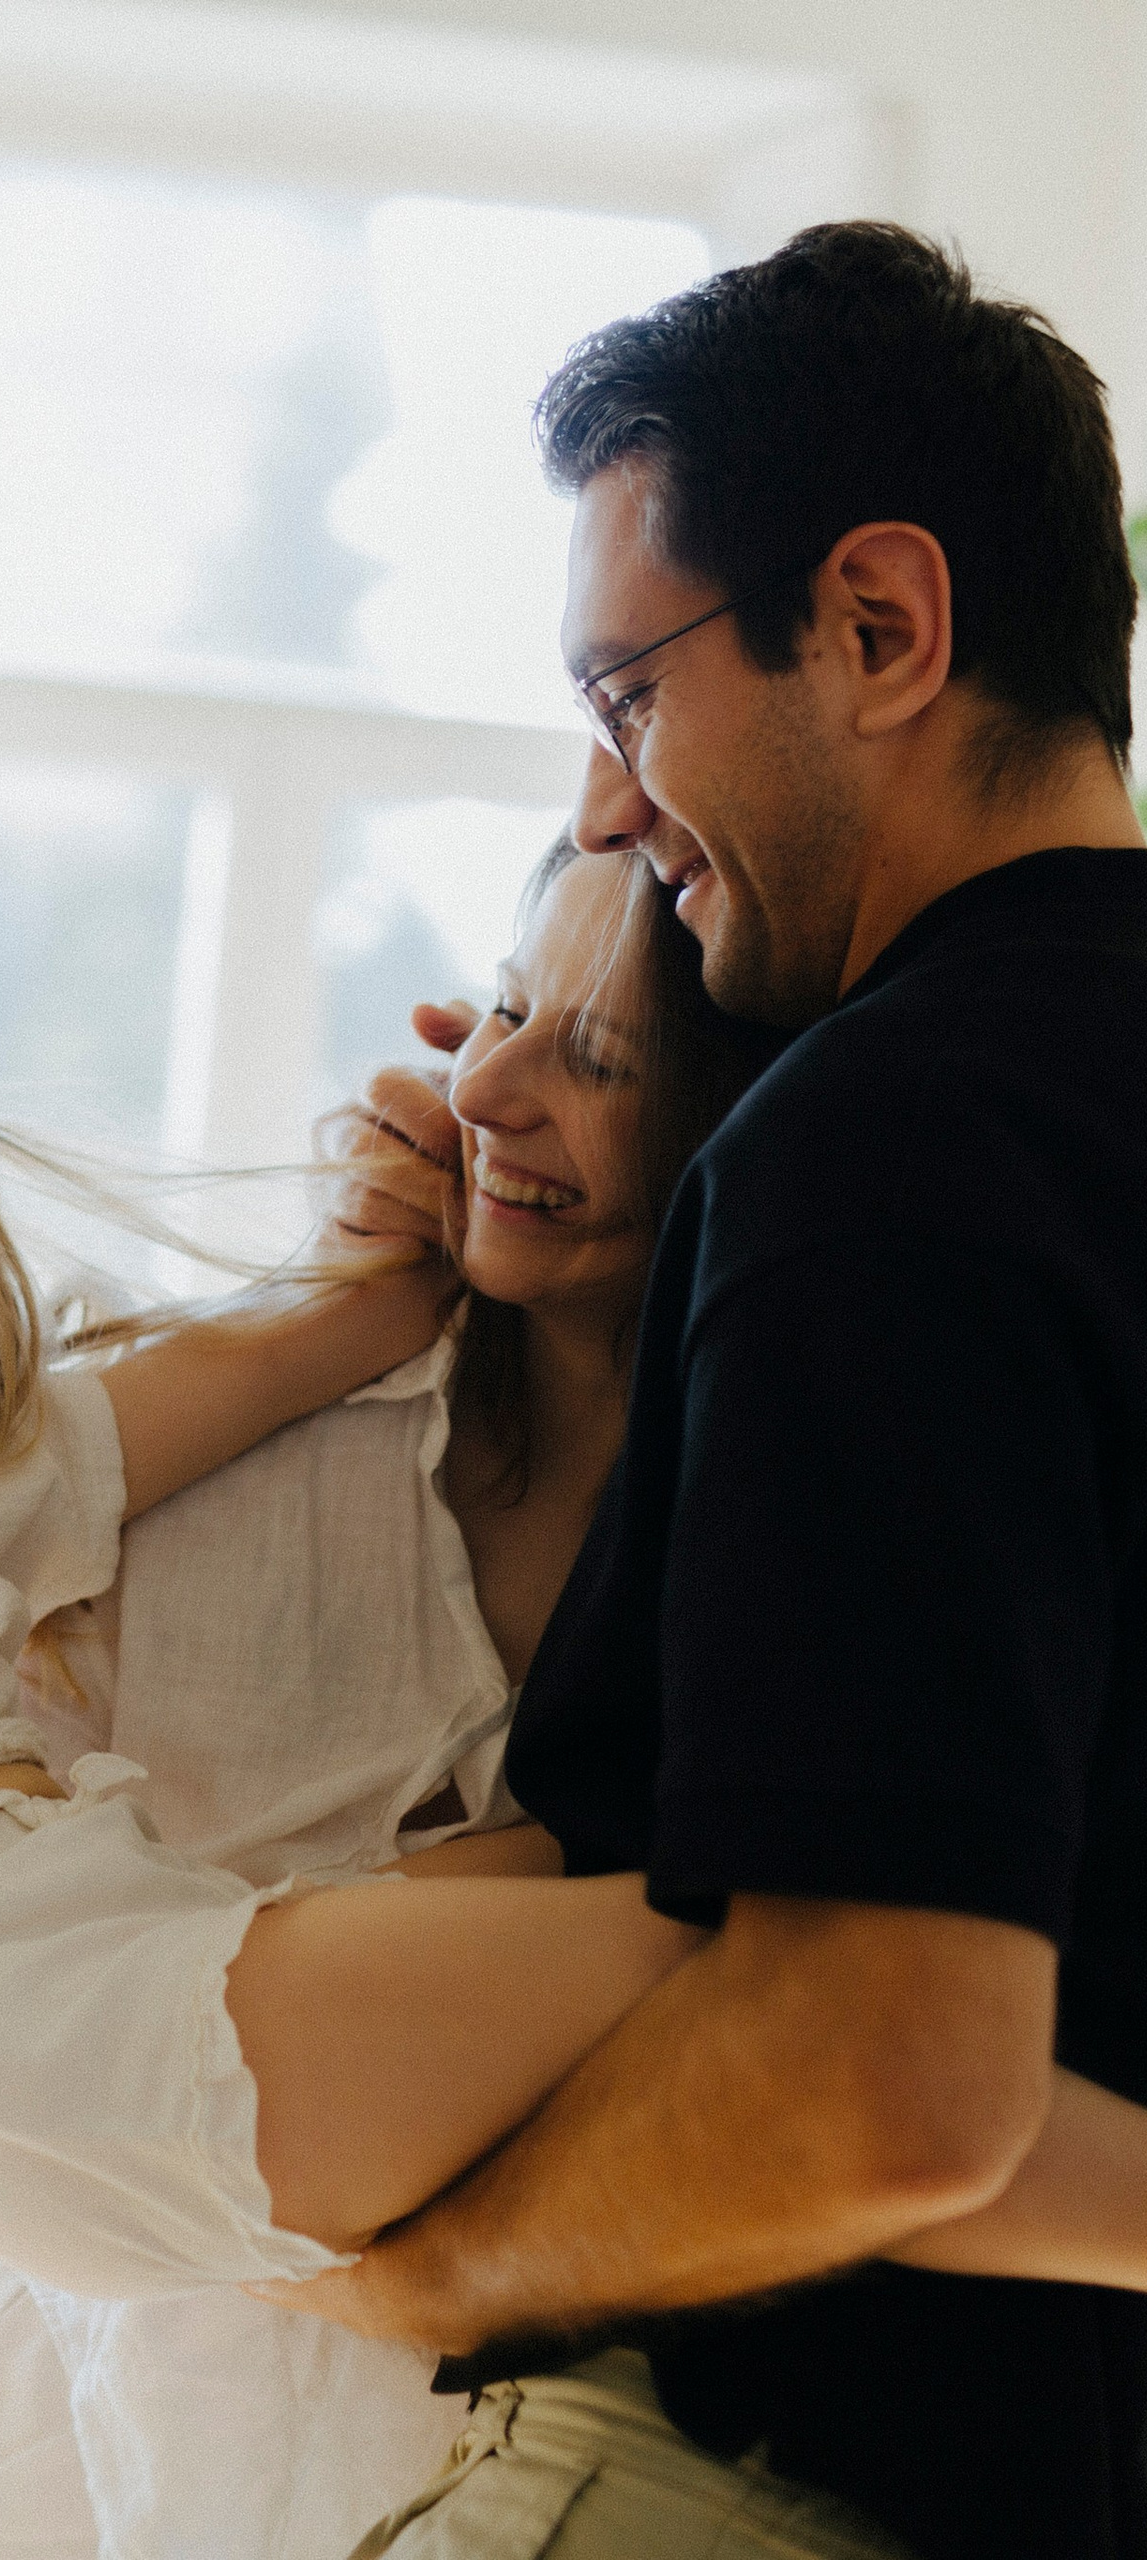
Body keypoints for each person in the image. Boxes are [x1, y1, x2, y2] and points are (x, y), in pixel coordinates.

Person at [0, 846, 1147, 2559]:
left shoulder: (850, 1541)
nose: (495, 1086)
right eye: (506, 1011)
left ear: (759, 1121)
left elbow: (880, 2071)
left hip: (565, 2476)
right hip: (117, 2462)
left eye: (593, 1060)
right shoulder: (229, 1445)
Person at [249, 220, 1147, 2560]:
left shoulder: (883, 1140)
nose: (613, 799)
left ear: (876, 626)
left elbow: (882, 2076)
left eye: (628, 690)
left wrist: (429, 2272)